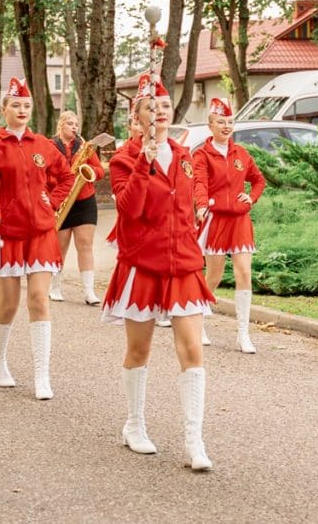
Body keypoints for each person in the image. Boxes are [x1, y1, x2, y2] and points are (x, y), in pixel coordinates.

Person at [101, 73, 215, 470]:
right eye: (152, 108)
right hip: (142, 263)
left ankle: (194, 441)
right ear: (136, 120)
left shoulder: (185, 156)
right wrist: (143, 164)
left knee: (192, 349)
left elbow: (184, 208)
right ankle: (134, 425)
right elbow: (129, 209)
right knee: (140, 349)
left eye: (165, 107)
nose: (161, 113)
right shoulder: (122, 160)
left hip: (182, 263)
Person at [0, 78, 74, 400]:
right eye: (15, 105)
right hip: (8, 233)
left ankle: (41, 375)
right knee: (9, 304)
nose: (21, 111)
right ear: (4, 110)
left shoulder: (43, 144)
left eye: (26, 106)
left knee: (39, 299)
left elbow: (67, 176)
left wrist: (52, 200)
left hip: (42, 232)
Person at [194, 98, 266, 354]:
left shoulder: (241, 154)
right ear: (210, 126)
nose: (226, 126)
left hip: (239, 220)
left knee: (244, 273)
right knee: (213, 276)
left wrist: (252, 198)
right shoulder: (201, 155)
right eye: (221, 122)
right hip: (216, 220)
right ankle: (198, 322)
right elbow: (199, 182)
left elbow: (259, 180)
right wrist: (201, 206)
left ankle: (243, 333)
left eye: (230, 122)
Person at [49, 111, 105, 305]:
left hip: (84, 199)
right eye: (70, 124)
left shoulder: (85, 146)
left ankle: (89, 291)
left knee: (85, 245)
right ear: (61, 125)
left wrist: (89, 171)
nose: (74, 127)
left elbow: (99, 170)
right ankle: (55, 286)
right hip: (62, 200)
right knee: (60, 246)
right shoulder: (50, 145)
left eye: (76, 124)